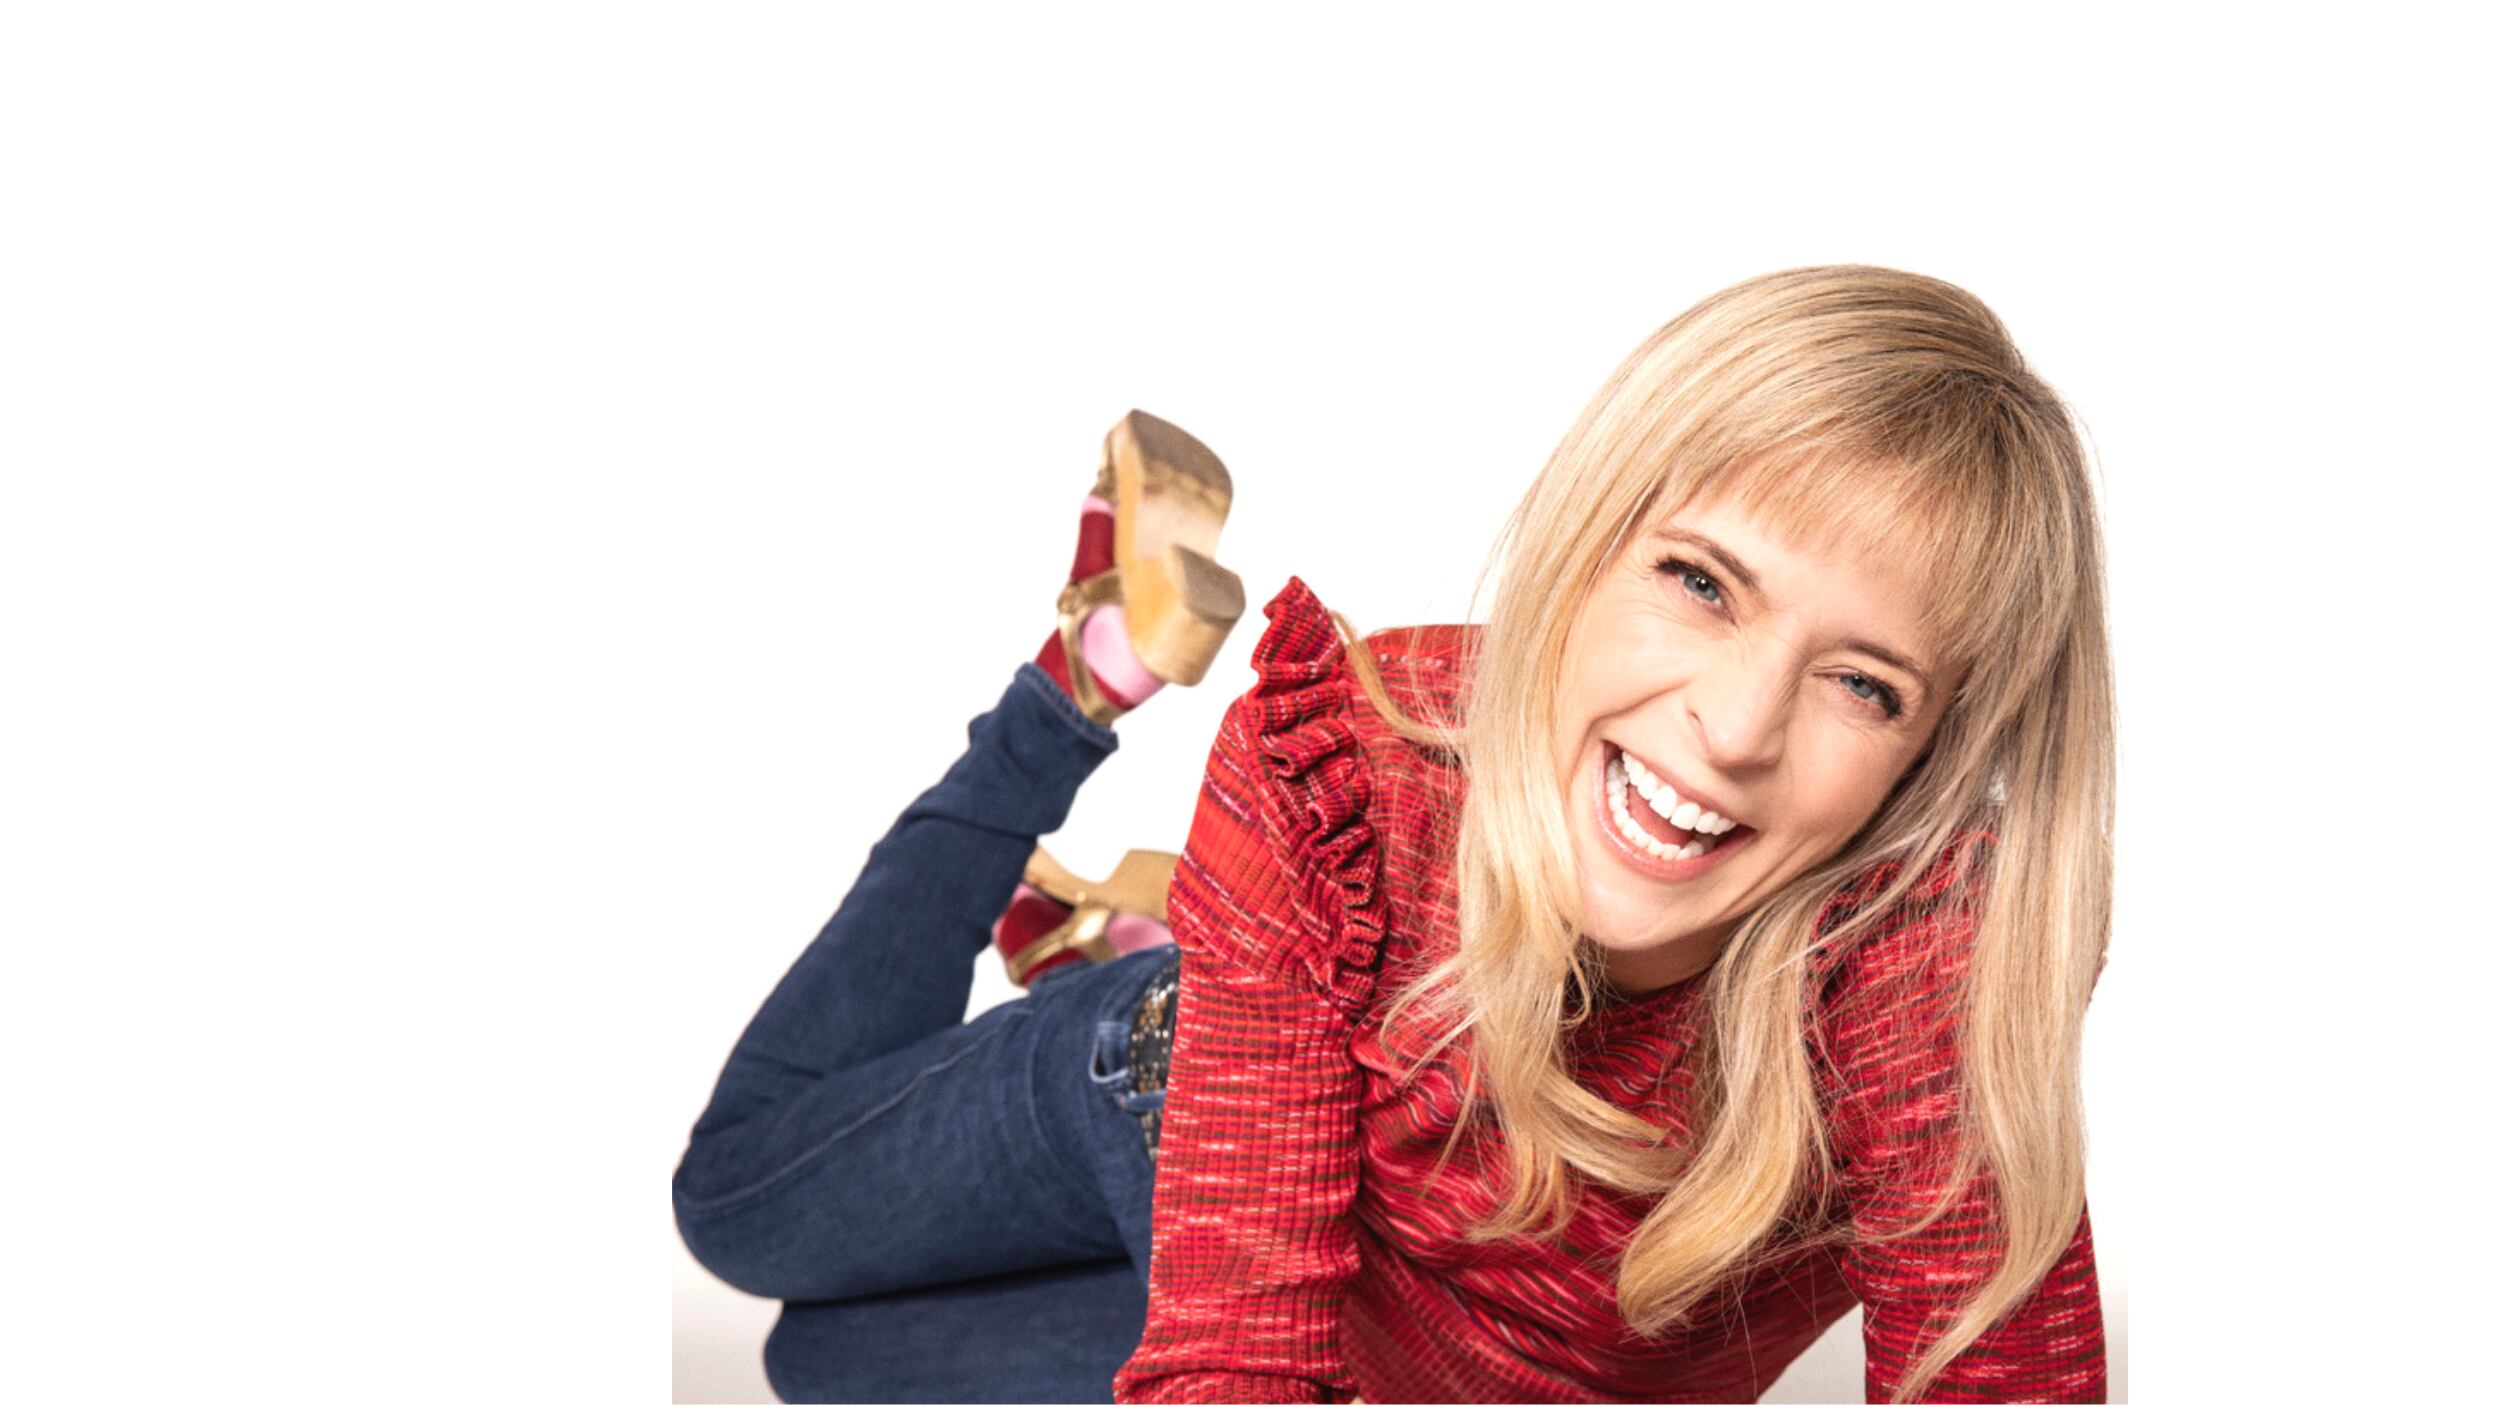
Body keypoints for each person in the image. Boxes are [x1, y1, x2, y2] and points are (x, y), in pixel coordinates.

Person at [674, 265, 2114, 1404]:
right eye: (1699, 581)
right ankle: (1084, 694)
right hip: (1187, 1119)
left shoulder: (1932, 968)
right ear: (1589, 542)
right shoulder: (1354, 773)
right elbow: (1237, 1362)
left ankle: (1217, 947)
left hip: (1376, 1333)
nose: (1736, 730)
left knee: (826, 1364)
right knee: (732, 1207)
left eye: (1865, 685)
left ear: (1935, 762)